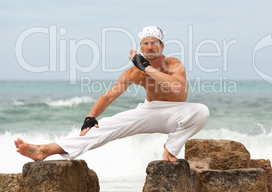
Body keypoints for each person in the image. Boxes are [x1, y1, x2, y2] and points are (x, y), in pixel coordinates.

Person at [15, 26, 209, 162]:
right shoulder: (134, 72)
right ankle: (44, 150)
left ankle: (171, 148)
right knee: (105, 126)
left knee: (202, 111)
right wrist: (91, 116)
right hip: (151, 111)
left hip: (178, 113)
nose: (149, 47)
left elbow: (175, 87)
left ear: (162, 46)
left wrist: (147, 68)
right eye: (145, 44)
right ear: (140, 48)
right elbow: (108, 97)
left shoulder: (173, 64)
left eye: (153, 43)